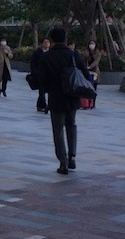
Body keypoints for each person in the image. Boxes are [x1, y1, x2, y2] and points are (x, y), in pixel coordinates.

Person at [37, 27, 88, 174]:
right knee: (71, 125)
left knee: (58, 129)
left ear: (51, 40)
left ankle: (63, 162)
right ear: (65, 39)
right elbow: (84, 74)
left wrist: (50, 88)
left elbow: (41, 79)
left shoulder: (46, 57)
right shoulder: (73, 54)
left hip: (56, 97)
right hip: (72, 96)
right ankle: (72, 156)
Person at [29, 37, 51, 113]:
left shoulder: (51, 52)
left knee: (48, 91)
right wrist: (35, 73)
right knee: (42, 91)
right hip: (40, 75)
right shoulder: (37, 52)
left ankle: (41, 105)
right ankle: (43, 105)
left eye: (48, 42)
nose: (46, 44)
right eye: (45, 42)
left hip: (49, 75)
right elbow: (33, 63)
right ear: (42, 43)